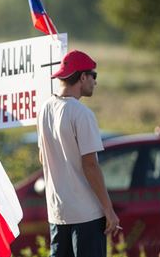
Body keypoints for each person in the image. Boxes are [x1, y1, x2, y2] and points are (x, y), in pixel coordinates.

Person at [36, 50, 120, 257]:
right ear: (82, 77)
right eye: (94, 76)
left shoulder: (45, 108)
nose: (95, 82)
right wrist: (108, 209)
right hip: (86, 215)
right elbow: (90, 165)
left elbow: (41, 157)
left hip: (57, 213)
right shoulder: (82, 114)